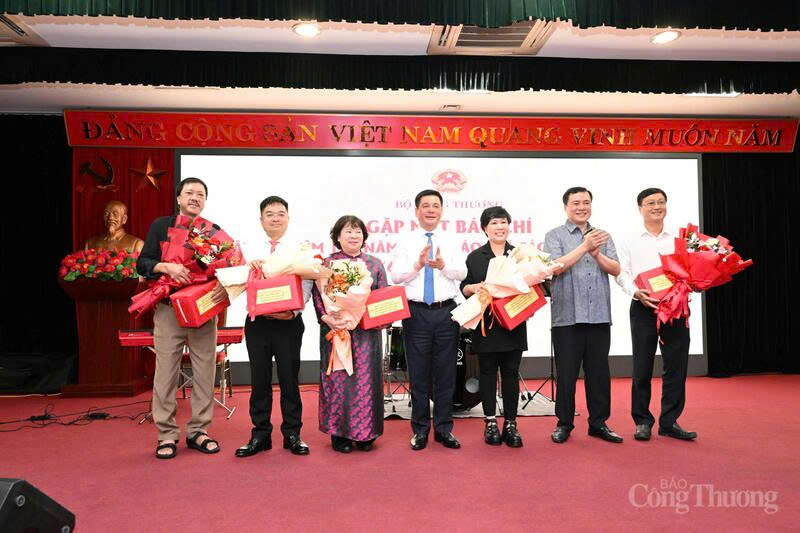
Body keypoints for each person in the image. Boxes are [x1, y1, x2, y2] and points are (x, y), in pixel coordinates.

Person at [137, 177, 228, 459]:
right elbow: (143, 263)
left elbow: (224, 265)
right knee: (165, 373)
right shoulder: (160, 226)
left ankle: (199, 431)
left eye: (200, 194)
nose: (194, 197)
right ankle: (166, 434)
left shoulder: (212, 233)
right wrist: (167, 267)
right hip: (167, 309)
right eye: (189, 192)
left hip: (201, 309)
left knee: (204, 372)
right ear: (178, 198)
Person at [615, 188, 696, 441]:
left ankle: (669, 421)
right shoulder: (629, 239)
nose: (656, 207)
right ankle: (642, 420)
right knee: (642, 365)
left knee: (676, 365)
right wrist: (636, 293)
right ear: (640, 208)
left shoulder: (680, 239)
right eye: (650, 203)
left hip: (676, 307)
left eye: (661, 202)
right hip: (644, 305)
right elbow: (621, 273)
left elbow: (692, 269)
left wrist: (690, 284)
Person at [544, 186, 623, 444]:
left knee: (599, 373)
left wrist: (597, 252)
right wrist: (584, 247)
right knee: (566, 375)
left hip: (599, 314)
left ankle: (599, 423)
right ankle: (564, 423)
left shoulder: (603, 236)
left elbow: (615, 269)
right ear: (566, 206)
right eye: (576, 202)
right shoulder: (554, 235)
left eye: (586, 202)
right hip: (567, 316)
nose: (581, 207)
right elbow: (555, 268)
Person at [235, 196, 313, 457]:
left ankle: (293, 434)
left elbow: (307, 282)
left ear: (288, 218)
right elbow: (236, 280)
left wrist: (293, 310)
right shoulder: (246, 248)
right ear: (261, 219)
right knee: (259, 380)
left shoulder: (300, 247)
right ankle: (260, 434)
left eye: (281, 213)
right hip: (257, 323)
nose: (276, 218)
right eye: (270, 214)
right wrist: (248, 269)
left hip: (289, 323)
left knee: (290, 379)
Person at [390, 189, 466, 450]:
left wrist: (443, 266)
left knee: (446, 374)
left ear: (442, 210)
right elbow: (396, 277)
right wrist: (417, 266)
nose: (431, 209)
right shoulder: (405, 240)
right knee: (419, 375)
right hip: (416, 312)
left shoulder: (453, 239)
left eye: (435, 205)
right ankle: (420, 429)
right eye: (425, 205)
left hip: (446, 313)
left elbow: (462, 272)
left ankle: (444, 429)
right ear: (416, 211)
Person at [312, 215, 388, 453]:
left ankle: (366, 433)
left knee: (367, 380)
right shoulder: (326, 264)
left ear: (364, 237)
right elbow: (318, 295)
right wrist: (327, 317)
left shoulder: (374, 264)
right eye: (348, 231)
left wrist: (381, 317)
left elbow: (383, 296)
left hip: (366, 335)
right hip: (337, 332)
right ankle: (340, 434)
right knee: (338, 380)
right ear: (337, 237)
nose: (354, 236)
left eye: (358, 232)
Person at [461, 206, 526, 447]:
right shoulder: (475, 256)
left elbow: (533, 285)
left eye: (503, 222)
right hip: (487, 324)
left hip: (513, 322)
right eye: (494, 223)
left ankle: (511, 424)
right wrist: (473, 288)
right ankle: (490, 422)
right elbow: (465, 287)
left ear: (509, 225)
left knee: (510, 374)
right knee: (487, 374)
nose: (499, 227)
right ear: (484, 229)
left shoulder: (520, 255)